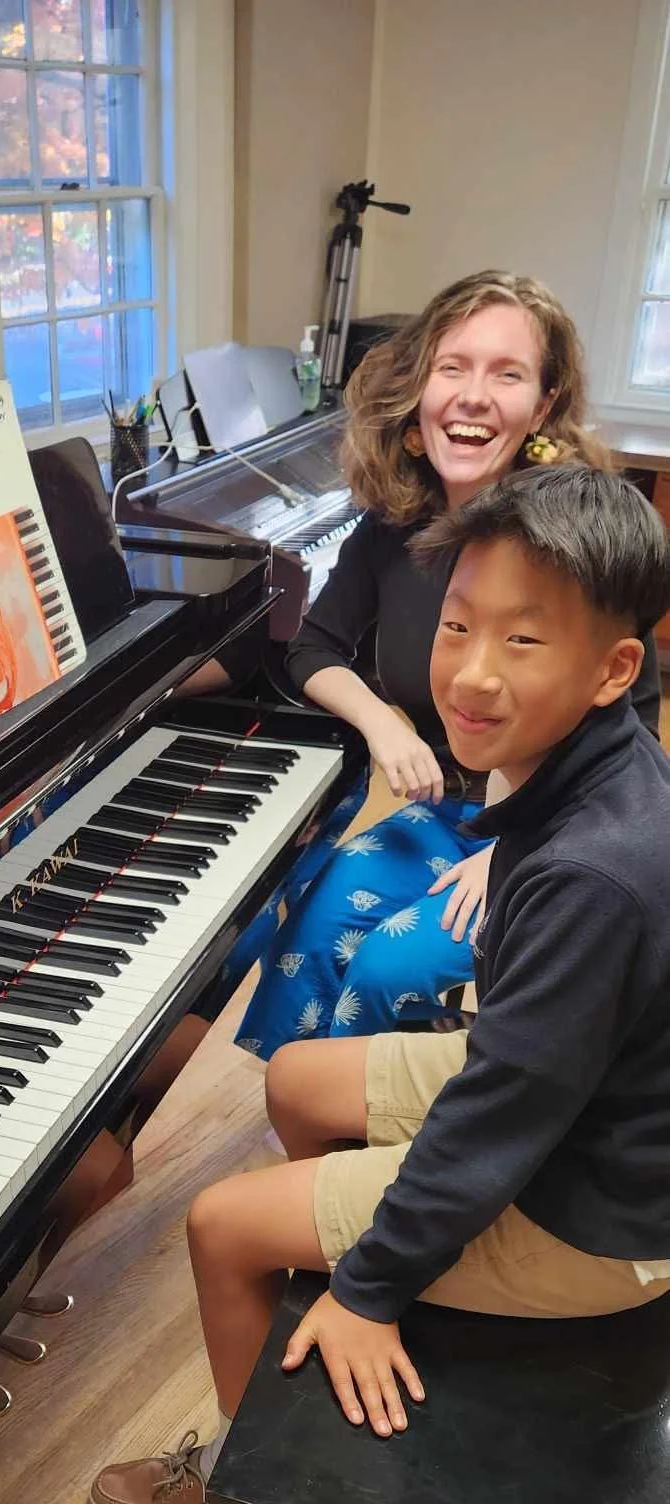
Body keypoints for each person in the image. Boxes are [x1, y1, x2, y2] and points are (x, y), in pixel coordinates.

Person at [90, 463, 670, 1504]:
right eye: (458, 626)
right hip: (580, 1103)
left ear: (613, 668)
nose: (473, 676)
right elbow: (522, 1069)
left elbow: (506, 1114)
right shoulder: (584, 766)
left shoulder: (595, 871)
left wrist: (373, 1282)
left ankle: (242, 1483)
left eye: (525, 642)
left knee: (219, 1224)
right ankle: (314, 1286)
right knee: (299, 1073)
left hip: (594, 1205)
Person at [227, 272, 661, 1061]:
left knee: (391, 962)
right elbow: (313, 646)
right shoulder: (398, 522)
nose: (473, 395)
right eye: (452, 367)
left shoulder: (580, 540)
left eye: (508, 373)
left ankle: (374, 1138)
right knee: (315, 920)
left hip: (556, 835)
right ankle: (303, 1112)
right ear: (421, 387)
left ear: (543, 402)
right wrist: (383, 722)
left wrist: (515, 848)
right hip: (450, 812)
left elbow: (641, 743)